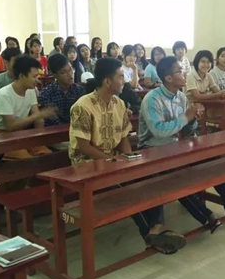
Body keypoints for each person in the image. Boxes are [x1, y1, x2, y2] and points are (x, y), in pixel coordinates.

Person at [70, 57, 186, 254]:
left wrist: (130, 160)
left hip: (115, 160)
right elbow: (82, 146)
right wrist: (110, 161)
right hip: (87, 164)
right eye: (121, 76)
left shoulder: (119, 104)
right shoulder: (83, 106)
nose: (125, 80)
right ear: (108, 81)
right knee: (127, 190)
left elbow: (124, 137)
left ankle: (157, 227)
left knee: (148, 177)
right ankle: (150, 235)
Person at [139, 56, 225, 230]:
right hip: (152, 149)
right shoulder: (152, 99)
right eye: (179, 71)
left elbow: (188, 132)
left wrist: (194, 119)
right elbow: (158, 131)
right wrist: (185, 117)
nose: (183, 74)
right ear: (168, 78)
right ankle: (207, 216)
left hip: (175, 147)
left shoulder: (180, 97)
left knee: (211, 162)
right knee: (177, 175)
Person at [0, 55, 56, 160]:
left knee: (47, 155)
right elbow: (11, 126)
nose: (37, 80)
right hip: (0, 136)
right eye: (34, 76)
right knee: (28, 159)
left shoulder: (31, 90)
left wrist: (39, 140)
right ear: (21, 76)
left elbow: (37, 118)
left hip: (20, 134)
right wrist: (37, 116)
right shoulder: (4, 94)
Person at [39, 54, 84, 126]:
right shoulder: (46, 94)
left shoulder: (79, 90)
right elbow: (52, 121)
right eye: (63, 72)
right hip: (55, 133)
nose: (70, 74)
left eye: (70, 69)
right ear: (54, 75)